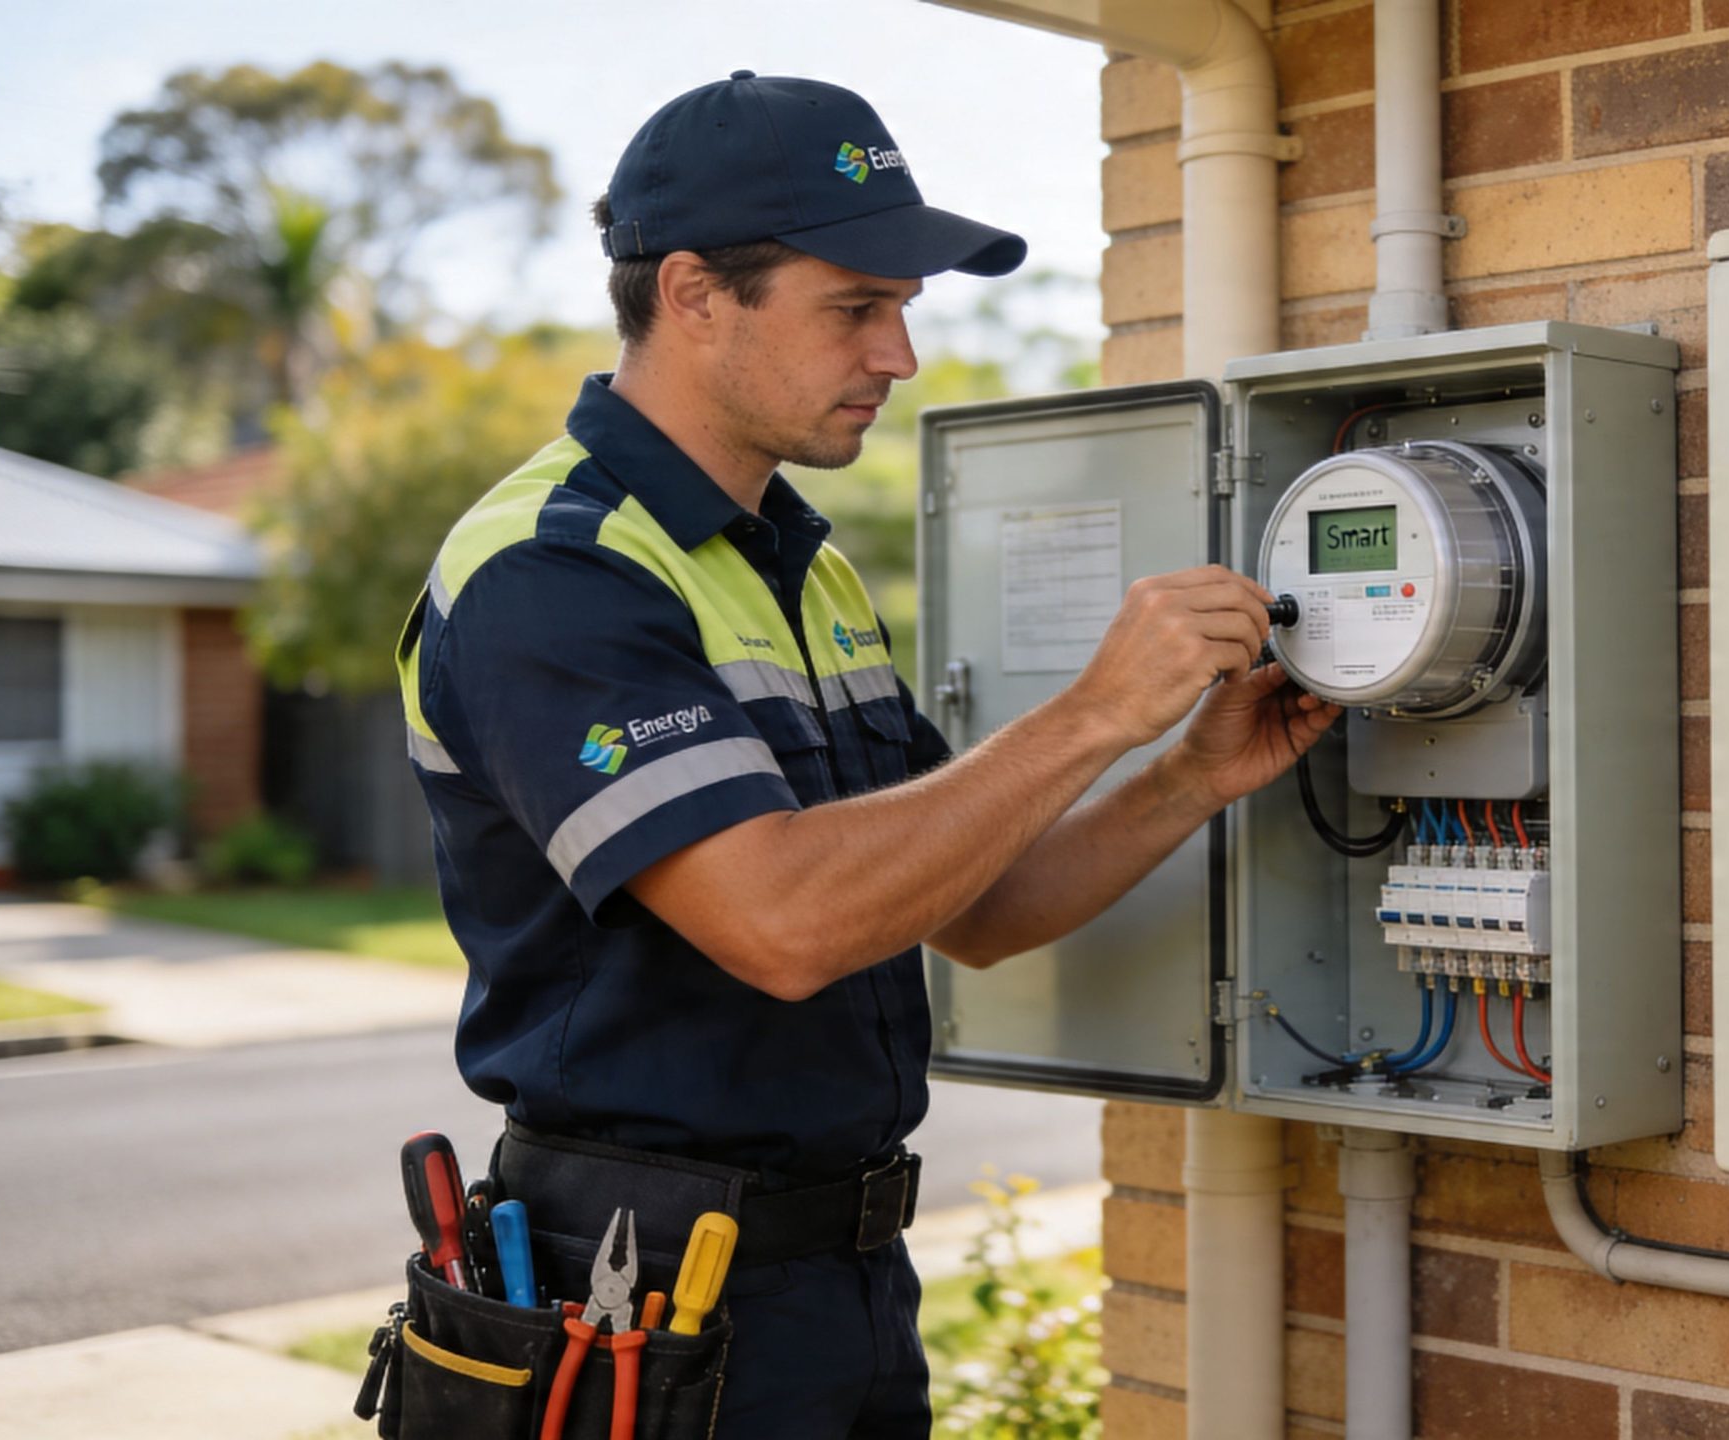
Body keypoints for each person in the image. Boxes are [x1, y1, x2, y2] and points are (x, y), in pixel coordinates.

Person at [392, 72, 1337, 1436]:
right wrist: (1088, 714)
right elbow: (783, 923)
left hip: (836, 1284)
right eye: (856, 308)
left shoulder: (801, 566)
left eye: (902, 311)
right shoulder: (555, 572)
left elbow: (981, 911)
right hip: (635, 1300)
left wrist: (1184, 774)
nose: (897, 355)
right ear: (695, 293)